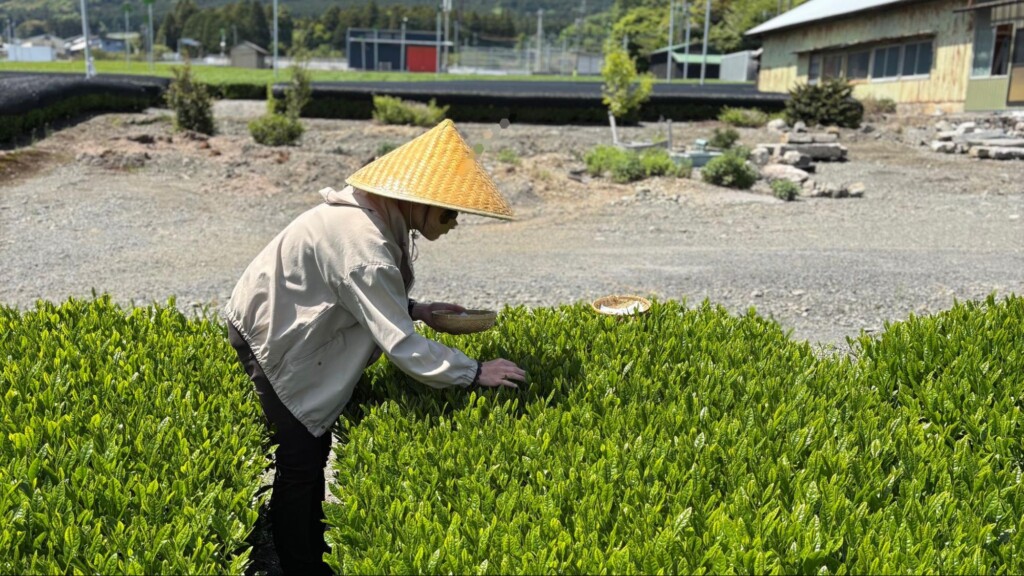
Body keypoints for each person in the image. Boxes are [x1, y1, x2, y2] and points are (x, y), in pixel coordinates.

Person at [223, 119, 527, 575]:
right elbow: (402, 345)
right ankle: (299, 565)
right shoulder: (362, 244)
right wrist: (474, 371)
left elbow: (350, 293)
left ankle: (311, 552)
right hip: (271, 336)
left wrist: (415, 307)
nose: (454, 223)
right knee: (301, 461)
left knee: (313, 451)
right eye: (449, 213)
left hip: (284, 316)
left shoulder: (372, 218)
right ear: (419, 202)